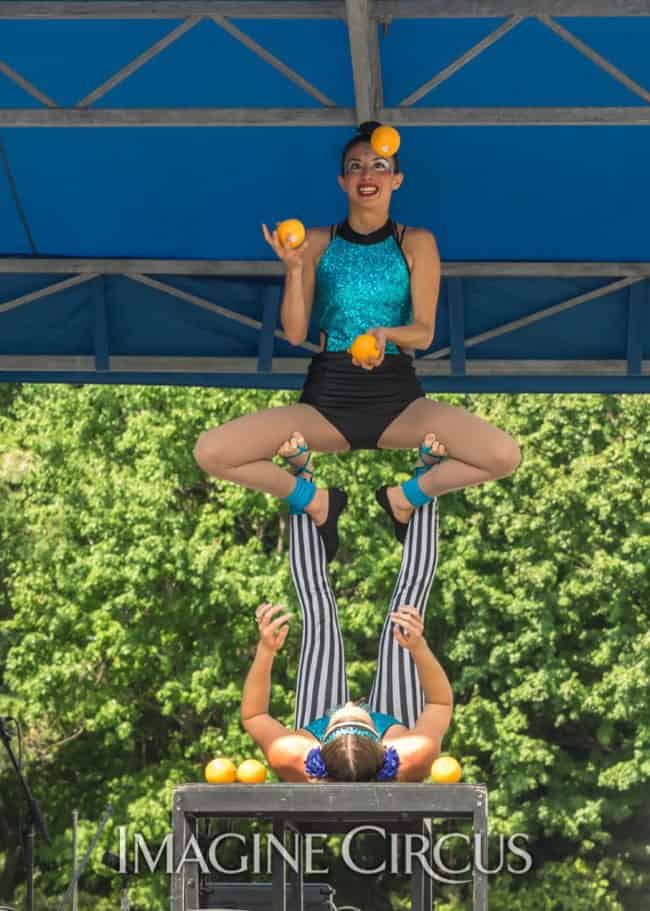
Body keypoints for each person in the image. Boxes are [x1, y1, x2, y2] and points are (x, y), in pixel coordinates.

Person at [194, 121, 520, 560]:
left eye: (379, 166)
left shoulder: (417, 243)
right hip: (327, 401)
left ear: (396, 179)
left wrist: (385, 334)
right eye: (356, 166)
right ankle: (316, 501)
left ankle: (404, 498)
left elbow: (423, 333)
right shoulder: (313, 242)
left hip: (399, 400)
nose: (368, 175)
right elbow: (293, 333)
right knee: (211, 451)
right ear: (342, 180)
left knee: (504, 455)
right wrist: (292, 269)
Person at [240, 446, 452, 782]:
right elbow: (440, 705)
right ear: (384, 749)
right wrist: (419, 648)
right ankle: (425, 477)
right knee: (408, 607)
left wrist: (265, 652)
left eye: (342, 715)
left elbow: (254, 716)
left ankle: (303, 483)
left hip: (318, 730)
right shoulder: (409, 753)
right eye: (360, 716)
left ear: (319, 751)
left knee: (317, 609)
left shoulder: (294, 753)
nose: (351, 704)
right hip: (391, 725)